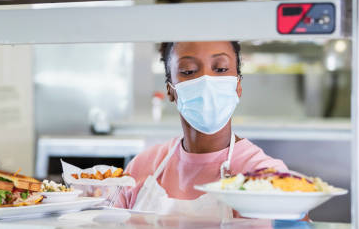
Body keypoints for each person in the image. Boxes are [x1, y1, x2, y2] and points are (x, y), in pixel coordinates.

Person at [117, 41, 287, 218]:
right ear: (170, 91)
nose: (206, 81)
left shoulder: (267, 175)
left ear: (237, 86)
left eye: (220, 69)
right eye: (189, 71)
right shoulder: (142, 166)